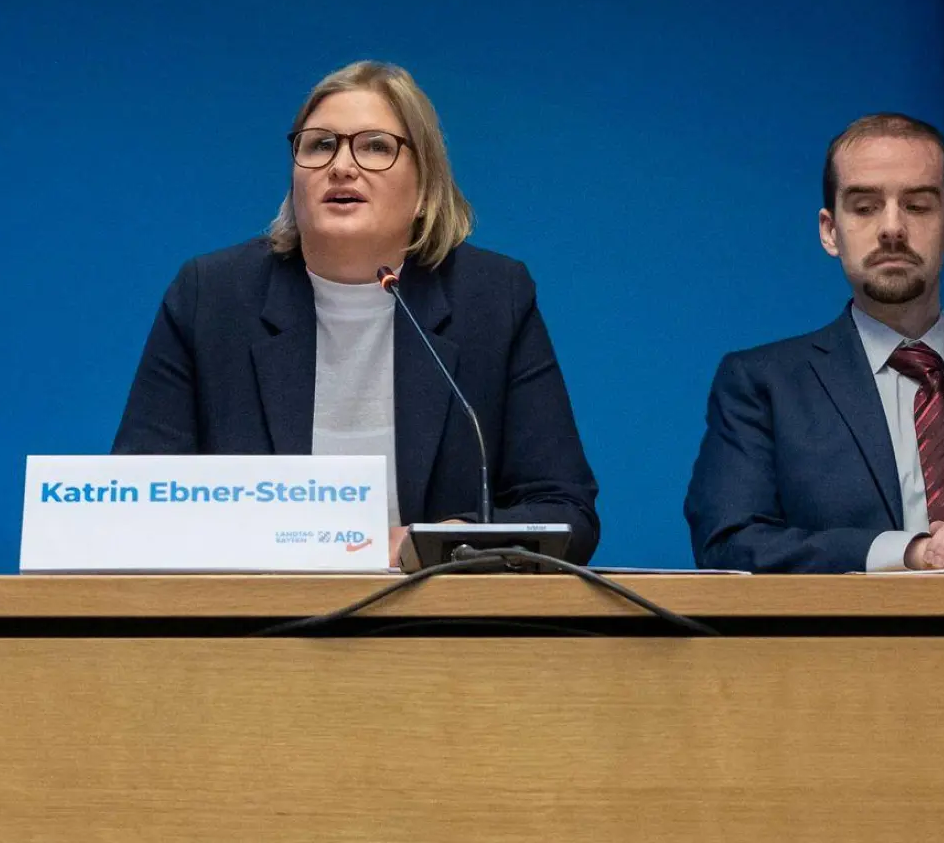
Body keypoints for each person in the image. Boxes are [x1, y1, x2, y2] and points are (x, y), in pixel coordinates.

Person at [113, 61, 598, 565]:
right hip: (253, 621)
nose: (342, 166)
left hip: (433, 627)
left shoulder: (493, 299)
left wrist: (446, 539)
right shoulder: (212, 297)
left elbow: (565, 512)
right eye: (319, 144)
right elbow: (136, 498)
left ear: (425, 185)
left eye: (374, 147)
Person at [685, 113, 944, 573]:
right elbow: (728, 544)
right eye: (866, 207)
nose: (892, 228)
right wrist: (912, 552)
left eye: (917, 205)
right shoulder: (765, 387)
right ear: (831, 231)